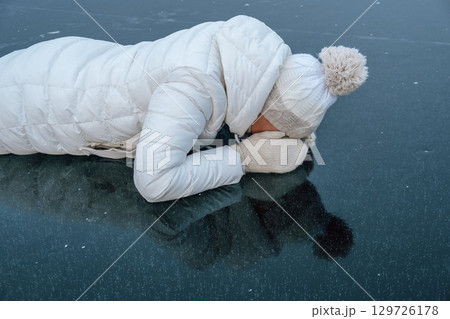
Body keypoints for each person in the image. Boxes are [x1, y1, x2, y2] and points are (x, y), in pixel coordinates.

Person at [0, 15, 368, 202]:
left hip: (60, 65)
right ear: (268, 105)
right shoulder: (194, 86)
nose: (279, 137)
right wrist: (243, 159)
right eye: (282, 127)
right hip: (22, 104)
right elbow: (154, 181)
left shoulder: (237, 56)